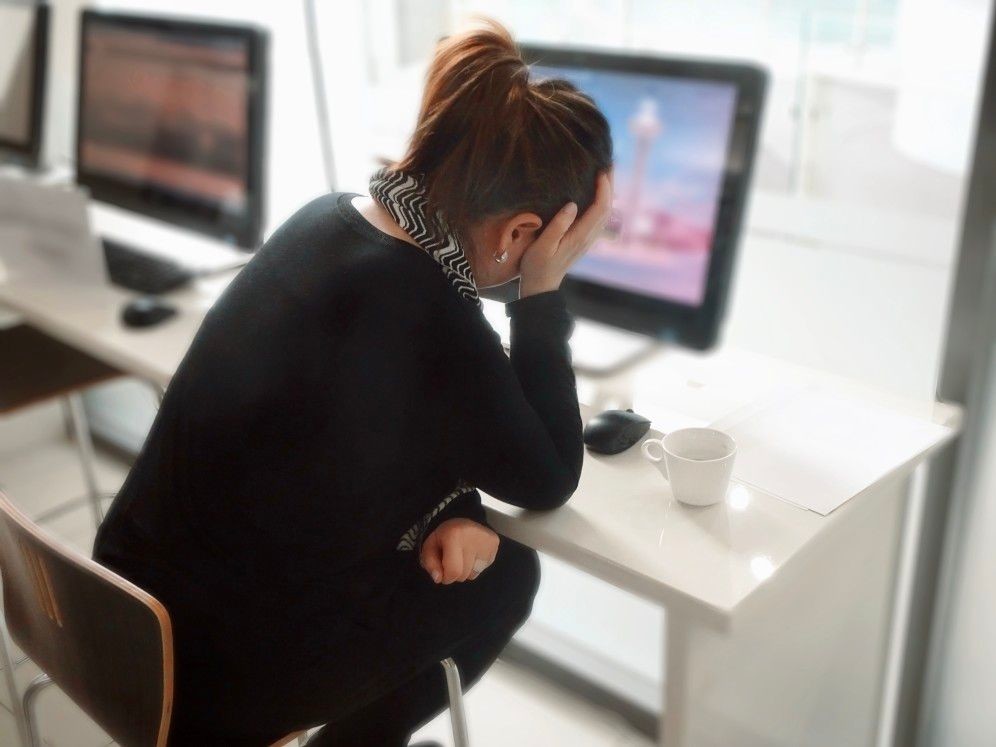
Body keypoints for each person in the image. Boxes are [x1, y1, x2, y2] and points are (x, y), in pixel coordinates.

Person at [94, 17, 612, 746]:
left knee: (460, 548)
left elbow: (341, 438)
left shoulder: (325, 221)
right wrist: (541, 296)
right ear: (520, 234)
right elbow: (549, 475)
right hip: (202, 687)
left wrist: (452, 504)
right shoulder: (432, 314)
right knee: (508, 577)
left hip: (110, 619)